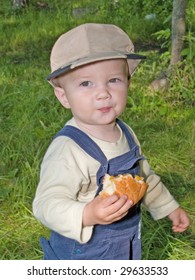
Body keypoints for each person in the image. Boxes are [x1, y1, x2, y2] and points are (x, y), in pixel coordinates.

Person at [32, 23, 190, 260]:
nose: (103, 92)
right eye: (86, 83)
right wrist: (86, 214)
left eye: (114, 80)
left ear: (128, 83)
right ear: (64, 96)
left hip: (124, 245)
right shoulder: (68, 149)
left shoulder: (125, 132)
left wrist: (168, 207)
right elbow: (46, 204)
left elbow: (143, 177)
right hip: (83, 254)